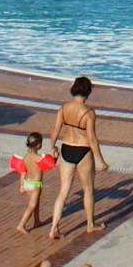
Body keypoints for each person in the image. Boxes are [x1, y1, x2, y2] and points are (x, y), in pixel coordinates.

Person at [47, 76, 108, 241]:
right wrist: (101, 160)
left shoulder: (63, 107)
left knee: (63, 191)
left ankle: (53, 228)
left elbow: (55, 130)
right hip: (83, 150)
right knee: (88, 189)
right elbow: (92, 139)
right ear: (88, 92)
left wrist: (52, 147)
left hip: (66, 148)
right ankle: (90, 224)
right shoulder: (89, 112)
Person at [14, 131, 55, 234]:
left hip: (27, 183)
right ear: (38, 145)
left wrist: (22, 185)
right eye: (41, 142)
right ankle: (21, 225)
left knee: (36, 203)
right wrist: (55, 157)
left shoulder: (26, 156)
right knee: (32, 205)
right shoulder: (39, 158)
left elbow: (23, 171)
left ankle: (37, 221)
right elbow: (50, 166)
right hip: (35, 185)